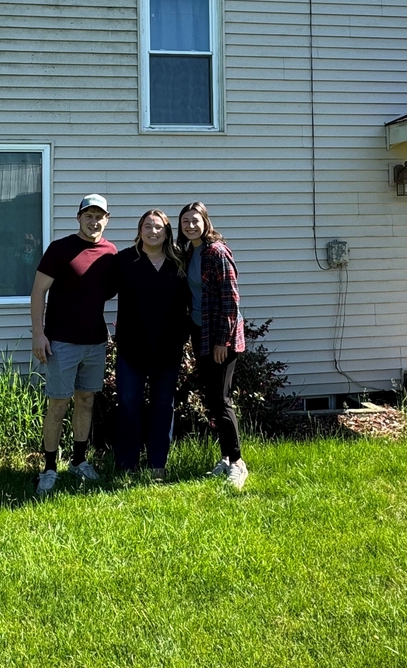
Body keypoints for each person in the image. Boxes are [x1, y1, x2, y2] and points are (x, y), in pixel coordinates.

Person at [30, 194, 117, 495]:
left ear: (107, 219)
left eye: (99, 216)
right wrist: (38, 334)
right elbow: (38, 292)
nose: (94, 221)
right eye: (88, 215)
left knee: (86, 400)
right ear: (78, 217)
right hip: (61, 343)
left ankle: (79, 462)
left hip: (95, 342)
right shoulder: (60, 249)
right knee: (57, 404)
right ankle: (49, 468)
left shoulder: (110, 252)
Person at [111, 209, 190, 480]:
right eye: (148, 226)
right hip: (131, 350)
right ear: (139, 229)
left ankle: (158, 465)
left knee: (162, 407)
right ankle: (127, 466)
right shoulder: (124, 260)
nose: (153, 231)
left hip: (167, 351)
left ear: (167, 231)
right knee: (128, 405)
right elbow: (98, 291)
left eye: (159, 227)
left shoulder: (179, 261)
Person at [178, 201, 248, 490]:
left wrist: (223, 340)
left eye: (195, 220)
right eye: (185, 222)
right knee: (212, 398)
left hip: (221, 337)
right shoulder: (189, 252)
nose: (191, 225)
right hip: (201, 333)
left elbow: (231, 299)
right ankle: (224, 458)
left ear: (206, 221)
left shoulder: (215, 252)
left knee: (221, 400)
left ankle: (238, 463)